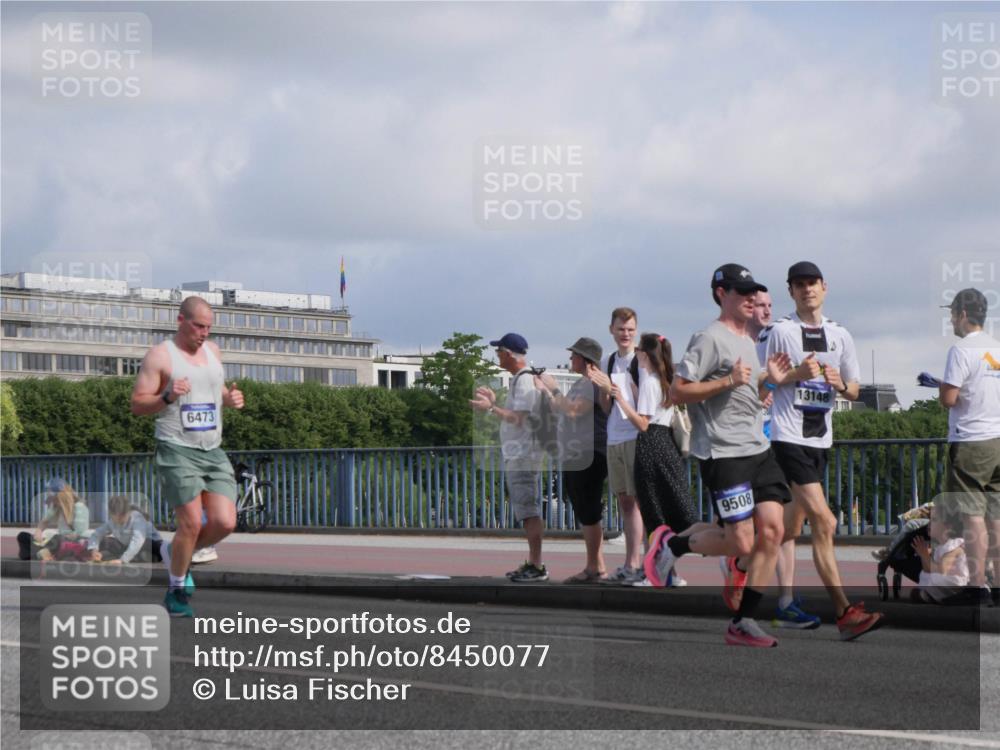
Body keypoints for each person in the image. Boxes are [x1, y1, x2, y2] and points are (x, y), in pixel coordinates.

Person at [648, 263, 792, 647]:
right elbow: (677, 391)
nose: (750, 299)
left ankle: (743, 621)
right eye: (741, 292)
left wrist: (770, 383)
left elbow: (747, 393)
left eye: (752, 292)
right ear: (721, 294)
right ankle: (672, 545)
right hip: (724, 453)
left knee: (773, 532)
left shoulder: (749, 340)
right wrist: (728, 380)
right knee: (741, 543)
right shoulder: (708, 338)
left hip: (758, 448)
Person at [759, 261, 884, 639]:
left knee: (788, 528)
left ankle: (743, 565)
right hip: (787, 438)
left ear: (824, 287)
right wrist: (792, 376)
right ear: (791, 291)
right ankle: (844, 612)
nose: (807, 289)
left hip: (820, 440)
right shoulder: (779, 331)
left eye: (812, 283)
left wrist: (839, 383)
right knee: (825, 522)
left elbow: (854, 390)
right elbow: (760, 381)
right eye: (799, 284)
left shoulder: (840, 334)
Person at [131, 295, 244, 617]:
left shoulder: (213, 352)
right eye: (198, 326)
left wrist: (230, 398)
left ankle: (174, 552)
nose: (204, 333)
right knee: (191, 523)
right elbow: (138, 403)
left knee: (225, 522)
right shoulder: (160, 356)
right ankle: (176, 590)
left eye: (208, 327)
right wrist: (167, 397)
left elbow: (215, 390)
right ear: (181, 321)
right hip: (176, 447)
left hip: (212, 449)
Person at [612, 332, 712, 587]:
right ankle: (670, 572)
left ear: (644, 354)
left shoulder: (649, 381)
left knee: (653, 510)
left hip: (650, 446)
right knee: (670, 507)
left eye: (638, 350)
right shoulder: (665, 379)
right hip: (666, 444)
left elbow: (643, 424)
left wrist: (621, 399)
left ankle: (655, 573)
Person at [938, 287, 1000, 606]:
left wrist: (940, 387)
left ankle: (976, 587)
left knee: (973, 516)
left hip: (971, 441)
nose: (951, 320)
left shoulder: (961, 350)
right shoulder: (996, 348)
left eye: (952, 314)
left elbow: (949, 398)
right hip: (998, 439)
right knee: (996, 516)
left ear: (963, 314)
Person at [470, 333, 547, 582]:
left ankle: (537, 565)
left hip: (524, 454)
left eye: (499, 352)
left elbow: (519, 419)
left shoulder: (523, 381)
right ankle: (534, 563)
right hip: (522, 452)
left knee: (528, 509)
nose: (497, 356)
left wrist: (491, 408)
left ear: (509, 354)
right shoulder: (521, 379)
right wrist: (495, 403)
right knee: (526, 509)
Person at [533, 337, 610, 582]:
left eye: (574, 355)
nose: (570, 358)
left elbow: (575, 411)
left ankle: (595, 567)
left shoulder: (592, 382)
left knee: (588, 508)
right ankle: (596, 565)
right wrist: (546, 392)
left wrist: (554, 388)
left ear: (585, 359)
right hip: (577, 452)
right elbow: (563, 409)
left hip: (589, 452)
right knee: (584, 508)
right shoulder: (582, 383)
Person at [587, 308, 646, 584]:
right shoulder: (608, 361)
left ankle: (645, 563)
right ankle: (630, 562)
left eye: (630, 329)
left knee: (641, 500)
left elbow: (649, 401)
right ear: (611, 329)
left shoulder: (641, 359)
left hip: (636, 435)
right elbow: (605, 407)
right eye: (621, 329)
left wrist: (620, 391)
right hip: (614, 436)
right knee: (625, 500)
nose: (626, 334)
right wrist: (604, 390)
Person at [17, 478, 90, 561]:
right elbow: (44, 521)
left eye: (53, 497)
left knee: (58, 538)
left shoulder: (79, 506)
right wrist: (39, 532)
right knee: (22, 536)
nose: (50, 499)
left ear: (60, 496)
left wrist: (55, 539)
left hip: (71, 543)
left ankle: (41, 553)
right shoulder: (56, 507)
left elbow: (78, 533)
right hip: (56, 544)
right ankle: (40, 553)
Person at [913, 504, 969, 604]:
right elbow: (928, 569)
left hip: (961, 582)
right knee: (924, 574)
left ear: (948, 527)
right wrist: (922, 554)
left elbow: (942, 570)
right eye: (930, 520)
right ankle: (933, 595)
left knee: (934, 578)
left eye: (934, 520)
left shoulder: (953, 544)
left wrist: (924, 554)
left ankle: (936, 596)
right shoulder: (940, 547)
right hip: (948, 580)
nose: (929, 524)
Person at [87, 495, 164, 564]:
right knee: (107, 541)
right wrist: (94, 550)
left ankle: (135, 556)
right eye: (117, 518)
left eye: (122, 517)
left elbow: (137, 541)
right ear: (111, 514)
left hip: (153, 546)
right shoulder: (111, 522)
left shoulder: (137, 518)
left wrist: (122, 560)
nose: (120, 520)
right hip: (129, 547)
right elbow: (96, 534)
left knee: (147, 544)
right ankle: (136, 557)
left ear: (128, 512)